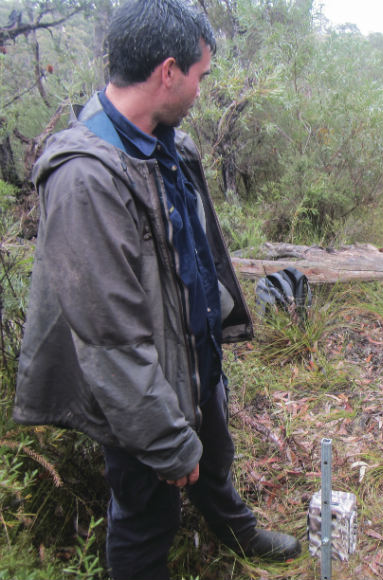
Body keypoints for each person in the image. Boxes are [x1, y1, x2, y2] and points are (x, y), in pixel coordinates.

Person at [12, 1, 300, 578]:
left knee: (215, 459)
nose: (201, 89)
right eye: (200, 75)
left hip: (194, 358)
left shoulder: (170, 145)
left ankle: (233, 529)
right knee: (145, 519)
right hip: (139, 395)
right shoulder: (86, 178)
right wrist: (164, 438)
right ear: (168, 71)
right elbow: (109, 340)